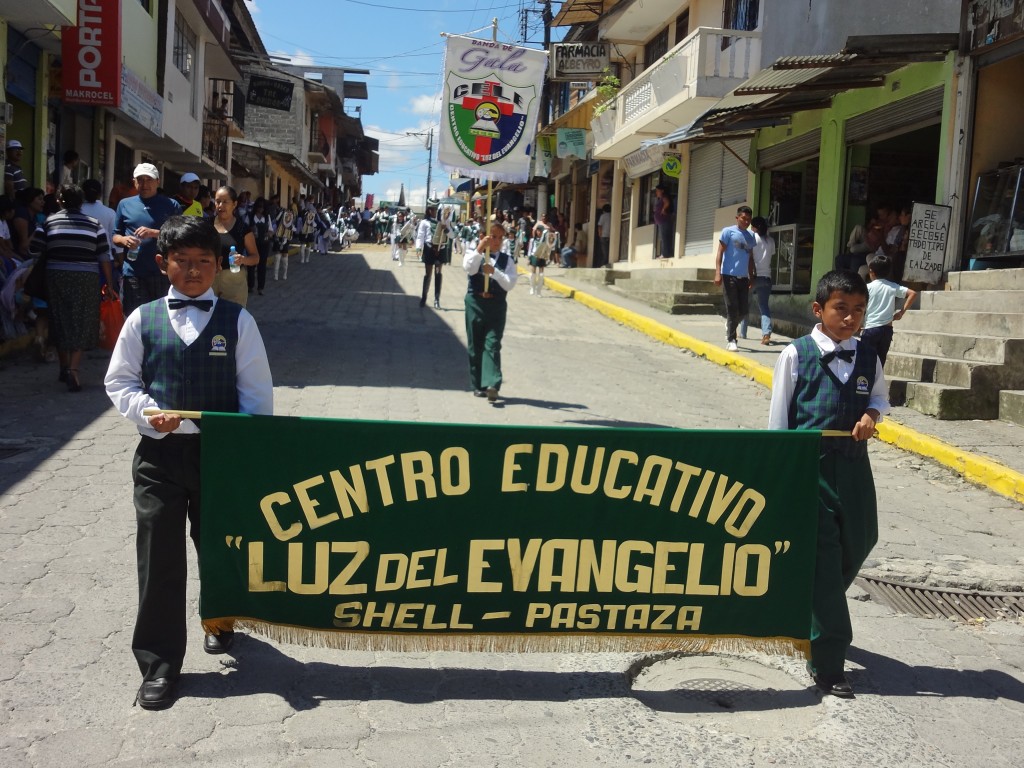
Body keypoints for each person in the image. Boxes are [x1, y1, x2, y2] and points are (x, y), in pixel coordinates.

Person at [104, 215, 273, 711]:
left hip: (218, 457)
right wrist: (145, 412)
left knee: (219, 546)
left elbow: (257, 396)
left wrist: (240, 442)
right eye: (184, 262)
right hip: (158, 457)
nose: (195, 271)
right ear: (163, 264)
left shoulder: (238, 322)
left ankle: (219, 621)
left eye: (204, 262)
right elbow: (120, 381)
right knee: (159, 559)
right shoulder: (142, 319)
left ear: (219, 266)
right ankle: (159, 665)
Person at [767, 269, 889, 699]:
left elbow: (878, 397)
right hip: (810, 466)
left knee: (863, 539)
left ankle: (812, 603)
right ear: (819, 310)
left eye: (859, 310)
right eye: (842, 309)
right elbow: (779, 420)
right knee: (824, 555)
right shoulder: (796, 354)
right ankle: (829, 661)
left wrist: (871, 416)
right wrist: (782, 474)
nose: (851, 318)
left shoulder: (868, 355)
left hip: (854, 466)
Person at [30, 184, 115, 392]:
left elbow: (35, 250)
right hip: (86, 279)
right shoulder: (95, 225)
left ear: (59, 200)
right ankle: (74, 371)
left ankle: (64, 366)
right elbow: (104, 256)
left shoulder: (49, 222)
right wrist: (110, 284)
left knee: (60, 320)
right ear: (82, 202)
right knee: (82, 321)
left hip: (56, 277)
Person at [113, 163, 182, 315]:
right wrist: (124, 240)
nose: (144, 184)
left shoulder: (171, 205)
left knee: (162, 317)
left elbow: (180, 236)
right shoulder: (124, 204)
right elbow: (115, 235)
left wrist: (154, 233)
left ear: (158, 181)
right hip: (133, 273)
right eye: (140, 180)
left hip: (162, 272)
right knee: (135, 318)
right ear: (134, 182)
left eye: (149, 180)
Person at [463, 220, 518, 403]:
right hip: (475, 303)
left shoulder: (506, 260)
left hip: (496, 305)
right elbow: (469, 269)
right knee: (475, 345)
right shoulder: (474, 253)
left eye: (500, 238)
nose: (496, 241)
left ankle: (492, 384)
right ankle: (478, 384)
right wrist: (480, 249)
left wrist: (494, 272)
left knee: (492, 343)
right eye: (493, 236)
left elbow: (509, 283)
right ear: (483, 237)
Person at [861, 253, 918, 365]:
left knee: (865, 363)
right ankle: (878, 382)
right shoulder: (892, 286)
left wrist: (858, 324)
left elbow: (861, 307)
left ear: (871, 271)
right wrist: (901, 312)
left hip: (870, 329)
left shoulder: (867, 288)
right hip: (886, 330)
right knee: (880, 362)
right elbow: (913, 293)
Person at [716, 205, 756, 351]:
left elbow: (751, 258)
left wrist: (751, 276)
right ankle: (732, 339)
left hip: (743, 277)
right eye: (743, 218)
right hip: (729, 275)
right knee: (732, 308)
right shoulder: (728, 231)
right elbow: (720, 252)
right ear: (737, 218)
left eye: (749, 220)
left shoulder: (751, 236)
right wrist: (717, 273)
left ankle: (730, 324)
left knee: (744, 310)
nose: (746, 222)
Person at [211, 185, 259, 307]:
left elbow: (255, 258)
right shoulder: (206, 225)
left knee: (231, 320)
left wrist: (243, 260)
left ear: (234, 204)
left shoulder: (242, 228)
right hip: (209, 279)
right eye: (218, 201)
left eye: (225, 202)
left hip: (234, 281)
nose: (220, 205)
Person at [739, 216, 775, 345]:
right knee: (764, 306)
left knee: (745, 305)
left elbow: (747, 256)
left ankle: (743, 332)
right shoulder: (771, 241)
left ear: (754, 227)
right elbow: (771, 255)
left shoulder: (752, 238)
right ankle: (766, 334)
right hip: (767, 278)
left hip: (753, 277)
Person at [416, 205, 445, 309]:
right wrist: (418, 248)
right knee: (428, 274)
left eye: (436, 209)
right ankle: (424, 298)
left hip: (440, 248)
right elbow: (420, 236)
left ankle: (437, 299)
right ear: (429, 210)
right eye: (433, 209)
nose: (434, 211)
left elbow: (451, 235)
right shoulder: (424, 222)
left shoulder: (442, 221)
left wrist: (446, 228)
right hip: (429, 248)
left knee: (438, 273)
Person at [528, 214, 559, 296]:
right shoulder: (532, 240)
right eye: (538, 231)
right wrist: (529, 258)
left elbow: (549, 248)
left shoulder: (545, 242)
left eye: (540, 231)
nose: (539, 232)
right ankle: (532, 288)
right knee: (532, 273)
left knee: (541, 275)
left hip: (542, 256)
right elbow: (530, 249)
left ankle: (539, 291)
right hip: (534, 255)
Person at [248, 197, 272, 296]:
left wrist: (268, 234)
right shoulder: (250, 217)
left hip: (264, 244)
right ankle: (250, 286)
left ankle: (260, 287)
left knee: (262, 266)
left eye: (262, 207)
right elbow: (245, 229)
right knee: (251, 266)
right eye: (259, 207)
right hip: (252, 244)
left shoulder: (267, 217)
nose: (260, 209)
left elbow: (271, 230)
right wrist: (252, 232)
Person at [653, 185, 674, 260]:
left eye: (657, 190)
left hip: (664, 221)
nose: (656, 192)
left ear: (662, 190)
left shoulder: (663, 197)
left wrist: (663, 209)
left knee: (664, 237)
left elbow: (667, 202)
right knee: (664, 237)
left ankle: (665, 254)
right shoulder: (660, 198)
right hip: (661, 221)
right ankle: (666, 253)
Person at [596, 203, 611, 268]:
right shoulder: (612, 215)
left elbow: (600, 226)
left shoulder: (603, 216)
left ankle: (604, 263)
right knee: (609, 250)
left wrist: (599, 234)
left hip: (604, 235)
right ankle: (608, 261)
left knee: (604, 250)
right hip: (610, 235)